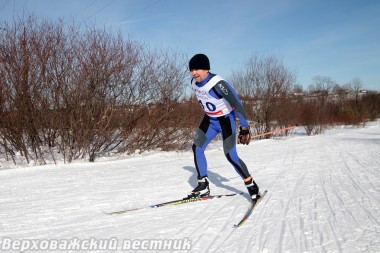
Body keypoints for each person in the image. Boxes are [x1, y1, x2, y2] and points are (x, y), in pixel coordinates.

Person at [186, 53, 260, 201]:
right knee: (197, 148)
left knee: (230, 155)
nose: (194, 73)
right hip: (209, 120)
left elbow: (238, 105)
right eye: (192, 69)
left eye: (198, 69)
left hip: (226, 120)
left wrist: (244, 128)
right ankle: (203, 185)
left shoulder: (218, 84)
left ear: (206, 69)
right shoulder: (194, 82)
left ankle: (251, 185)